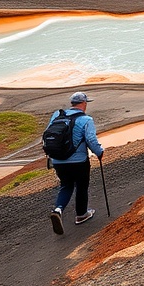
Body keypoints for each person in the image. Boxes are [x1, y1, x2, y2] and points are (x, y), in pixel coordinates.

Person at [49, 91, 104, 235]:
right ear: (84, 103)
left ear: (72, 103)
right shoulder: (86, 119)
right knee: (81, 186)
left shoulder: (57, 115)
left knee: (66, 185)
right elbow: (91, 140)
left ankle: (58, 210)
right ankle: (81, 215)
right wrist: (99, 153)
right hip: (79, 161)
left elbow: (50, 136)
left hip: (58, 160)